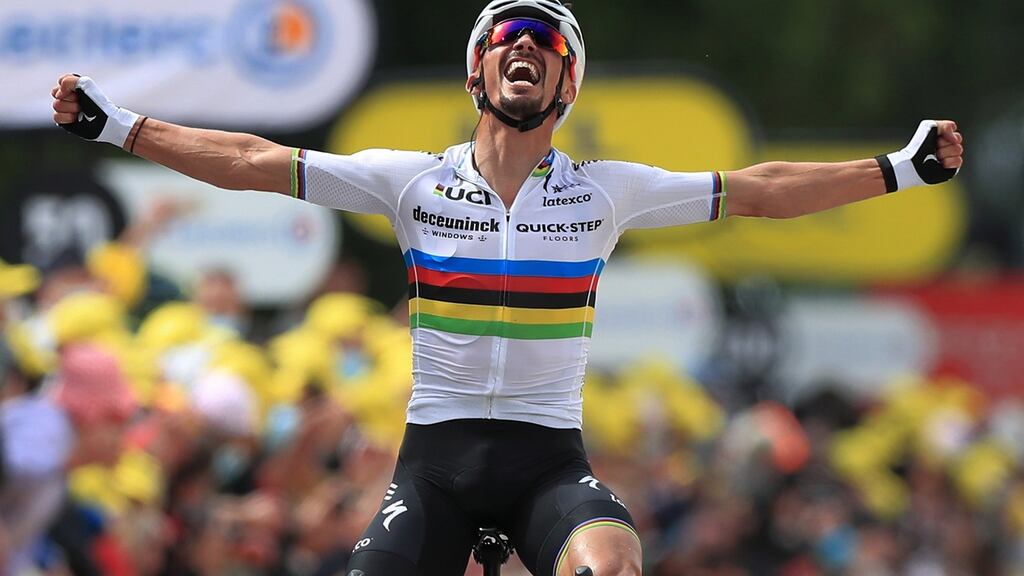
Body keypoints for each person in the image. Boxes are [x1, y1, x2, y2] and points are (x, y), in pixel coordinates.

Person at [49, 1, 964, 573]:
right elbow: (253, 158)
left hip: (548, 467)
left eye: (546, 42)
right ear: (478, 71)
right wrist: (117, 124)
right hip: (435, 467)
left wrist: (900, 170)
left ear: (566, 83)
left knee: (610, 566)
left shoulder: (607, 193)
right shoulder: (409, 180)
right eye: (504, 38)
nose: (523, 46)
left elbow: (759, 193)